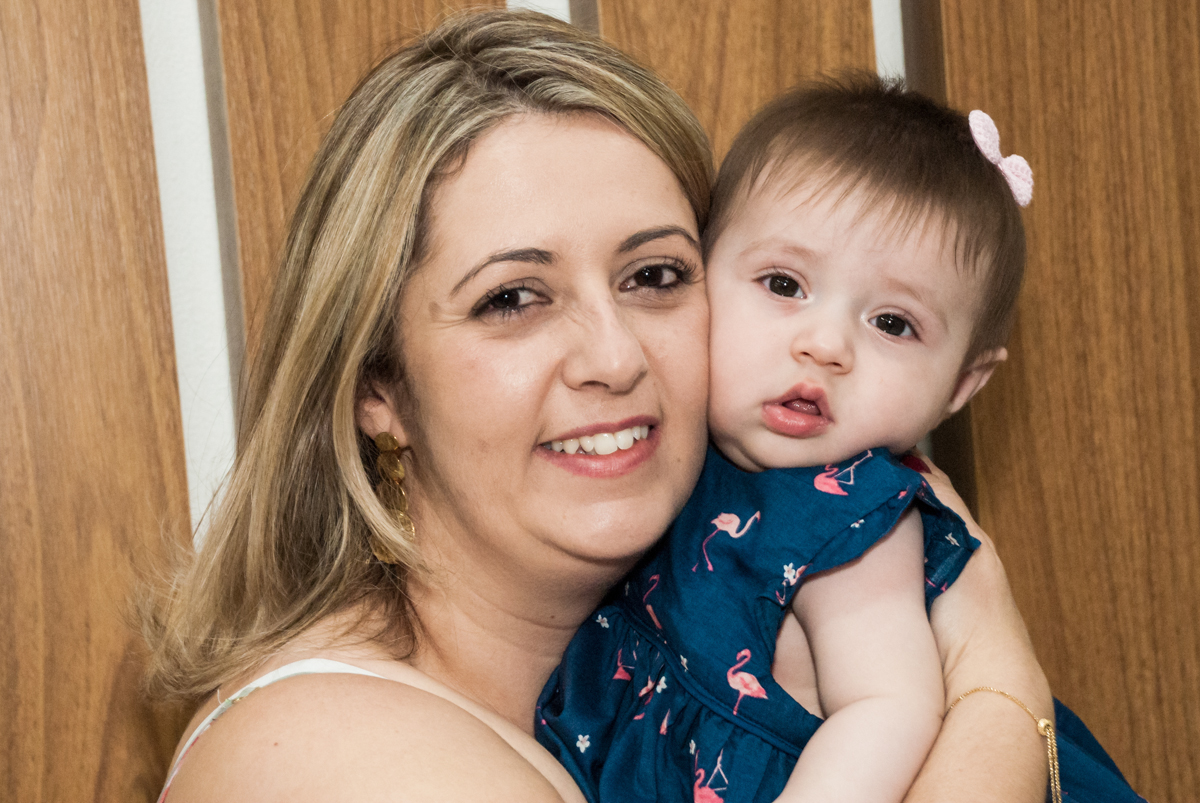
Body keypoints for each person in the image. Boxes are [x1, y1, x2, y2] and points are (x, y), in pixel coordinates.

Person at [145, 10, 1063, 802]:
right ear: (375, 387)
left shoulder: (738, 623)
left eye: (655, 276)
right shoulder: (322, 752)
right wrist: (998, 679)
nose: (616, 357)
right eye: (512, 298)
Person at [538, 77, 1146, 803]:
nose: (824, 345)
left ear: (961, 384)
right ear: (700, 272)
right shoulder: (671, 449)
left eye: (892, 323)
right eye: (783, 284)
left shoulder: (855, 515)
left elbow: (887, 709)